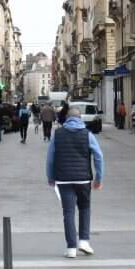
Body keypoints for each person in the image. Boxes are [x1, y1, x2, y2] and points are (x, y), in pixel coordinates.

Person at [45, 101, 104, 258]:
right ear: (80, 119)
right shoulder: (87, 134)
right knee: (84, 208)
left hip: (63, 180)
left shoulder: (57, 135)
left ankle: (71, 248)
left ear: (66, 118)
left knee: (68, 212)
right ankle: (84, 241)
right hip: (83, 179)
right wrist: (99, 177)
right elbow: (99, 156)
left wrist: (51, 177)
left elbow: (50, 159)